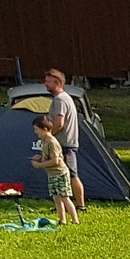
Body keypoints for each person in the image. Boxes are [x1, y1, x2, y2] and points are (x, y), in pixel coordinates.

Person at [41, 69, 84, 213]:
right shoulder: (62, 98)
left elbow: (59, 123)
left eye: (48, 82)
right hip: (65, 143)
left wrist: (48, 137)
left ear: (57, 83)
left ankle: (80, 206)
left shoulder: (60, 99)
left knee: (71, 174)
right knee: (62, 175)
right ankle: (63, 205)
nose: (45, 84)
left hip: (65, 144)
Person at [31, 114, 78, 224]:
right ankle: (62, 220)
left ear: (45, 129)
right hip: (52, 174)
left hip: (60, 174)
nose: (35, 132)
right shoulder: (44, 141)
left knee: (64, 197)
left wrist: (39, 165)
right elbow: (48, 157)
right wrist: (40, 158)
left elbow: (55, 161)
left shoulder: (52, 142)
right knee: (56, 198)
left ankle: (75, 220)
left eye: (36, 129)